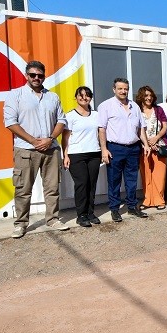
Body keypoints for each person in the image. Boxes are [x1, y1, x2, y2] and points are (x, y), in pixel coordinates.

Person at [4, 61, 69, 238]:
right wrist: (33, 140)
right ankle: (21, 224)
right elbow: (10, 122)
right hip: (26, 150)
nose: (36, 78)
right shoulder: (15, 95)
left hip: (51, 149)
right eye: (33, 75)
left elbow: (61, 121)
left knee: (52, 187)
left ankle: (53, 219)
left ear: (44, 76)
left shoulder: (52, 97)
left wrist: (50, 139)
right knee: (23, 189)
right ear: (27, 75)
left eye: (40, 75)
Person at [97, 78, 150, 222]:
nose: (123, 91)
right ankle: (114, 209)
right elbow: (102, 129)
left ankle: (132, 207)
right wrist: (104, 149)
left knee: (131, 180)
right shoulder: (106, 106)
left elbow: (141, 128)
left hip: (133, 148)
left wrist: (145, 144)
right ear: (114, 89)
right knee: (114, 181)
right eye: (120, 88)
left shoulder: (135, 106)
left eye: (125, 88)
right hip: (115, 148)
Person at [61, 86, 102, 228]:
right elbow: (65, 138)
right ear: (76, 97)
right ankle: (81, 215)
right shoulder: (70, 116)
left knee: (91, 184)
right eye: (81, 95)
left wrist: (103, 150)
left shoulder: (96, 115)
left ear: (90, 97)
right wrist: (65, 155)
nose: (84, 98)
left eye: (87, 95)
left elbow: (101, 133)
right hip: (76, 154)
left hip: (94, 153)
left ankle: (90, 213)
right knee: (82, 183)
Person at [136, 85, 167, 210]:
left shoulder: (158, 109)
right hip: (143, 147)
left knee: (159, 175)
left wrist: (156, 139)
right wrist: (146, 144)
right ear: (141, 97)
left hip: (159, 146)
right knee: (146, 174)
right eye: (146, 95)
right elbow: (136, 128)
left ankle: (159, 200)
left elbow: (165, 126)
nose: (149, 98)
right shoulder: (137, 110)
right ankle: (147, 200)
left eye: (150, 95)